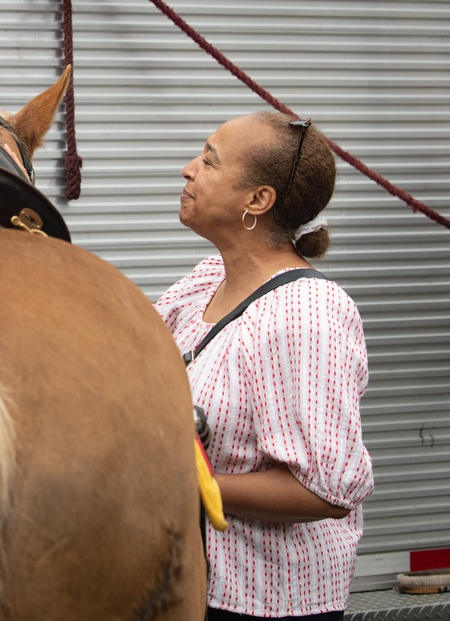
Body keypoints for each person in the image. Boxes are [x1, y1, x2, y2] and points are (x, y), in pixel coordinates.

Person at [155, 112, 374, 619]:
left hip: (263, 602)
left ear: (257, 200)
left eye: (208, 161)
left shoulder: (306, 314)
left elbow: (326, 489)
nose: (188, 170)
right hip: (191, 587)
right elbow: (129, 353)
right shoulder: (207, 279)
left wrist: (171, 481)